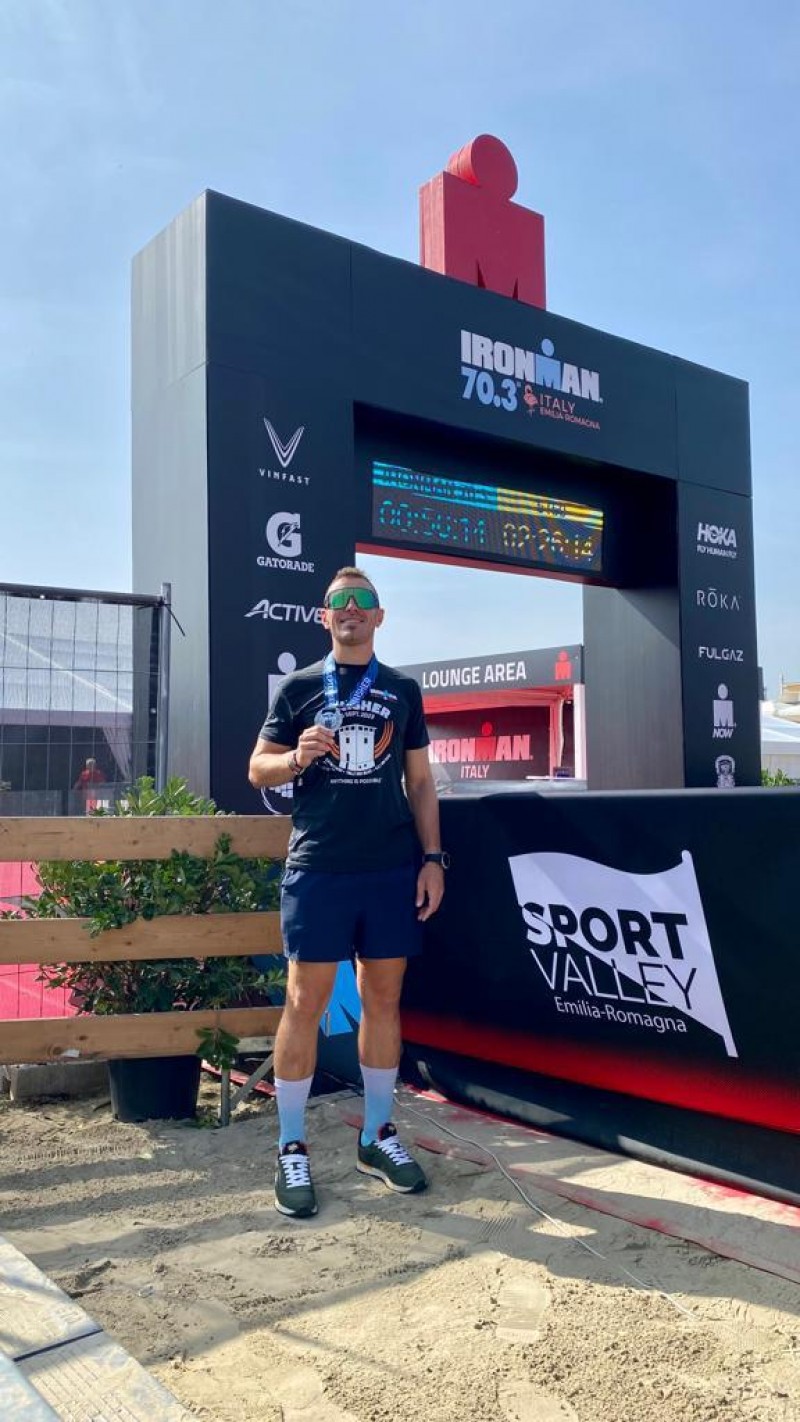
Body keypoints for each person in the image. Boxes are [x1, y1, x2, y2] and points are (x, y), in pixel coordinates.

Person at [248, 566, 447, 1218]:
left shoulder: (402, 689)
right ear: (324, 616)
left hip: (389, 869)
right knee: (303, 1003)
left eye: (363, 601)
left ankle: (377, 1135)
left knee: (383, 1000)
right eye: (341, 602)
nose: (352, 609)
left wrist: (433, 859)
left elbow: (421, 783)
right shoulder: (300, 688)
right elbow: (258, 769)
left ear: (379, 617)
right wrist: (296, 757)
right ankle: (291, 1146)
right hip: (319, 867)